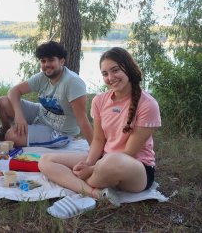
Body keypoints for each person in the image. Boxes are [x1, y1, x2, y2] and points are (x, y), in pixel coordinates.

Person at [38, 47, 161, 207]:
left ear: (128, 67)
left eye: (115, 70)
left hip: (135, 168)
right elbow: (98, 139)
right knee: (45, 160)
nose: (110, 77)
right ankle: (94, 193)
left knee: (112, 161)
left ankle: (80, 180)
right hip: (103, 160)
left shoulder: (148, 104)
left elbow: (129, 153)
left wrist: (92, 169)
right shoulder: (99, 100)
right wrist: (89, 164)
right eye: (105, 73)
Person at [0, 40, 93, 147]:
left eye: (51, 60)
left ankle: (15, 134)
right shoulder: (42, 77)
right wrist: (19, 115)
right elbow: (14, 91)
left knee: (11, 136)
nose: (46, 64)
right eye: (43, 61)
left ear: (62, 61)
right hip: (40, 115)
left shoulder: (72, 82)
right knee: (3, 102)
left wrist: (95, 148)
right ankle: (6, 130)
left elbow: (82, 119)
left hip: (60, 131)